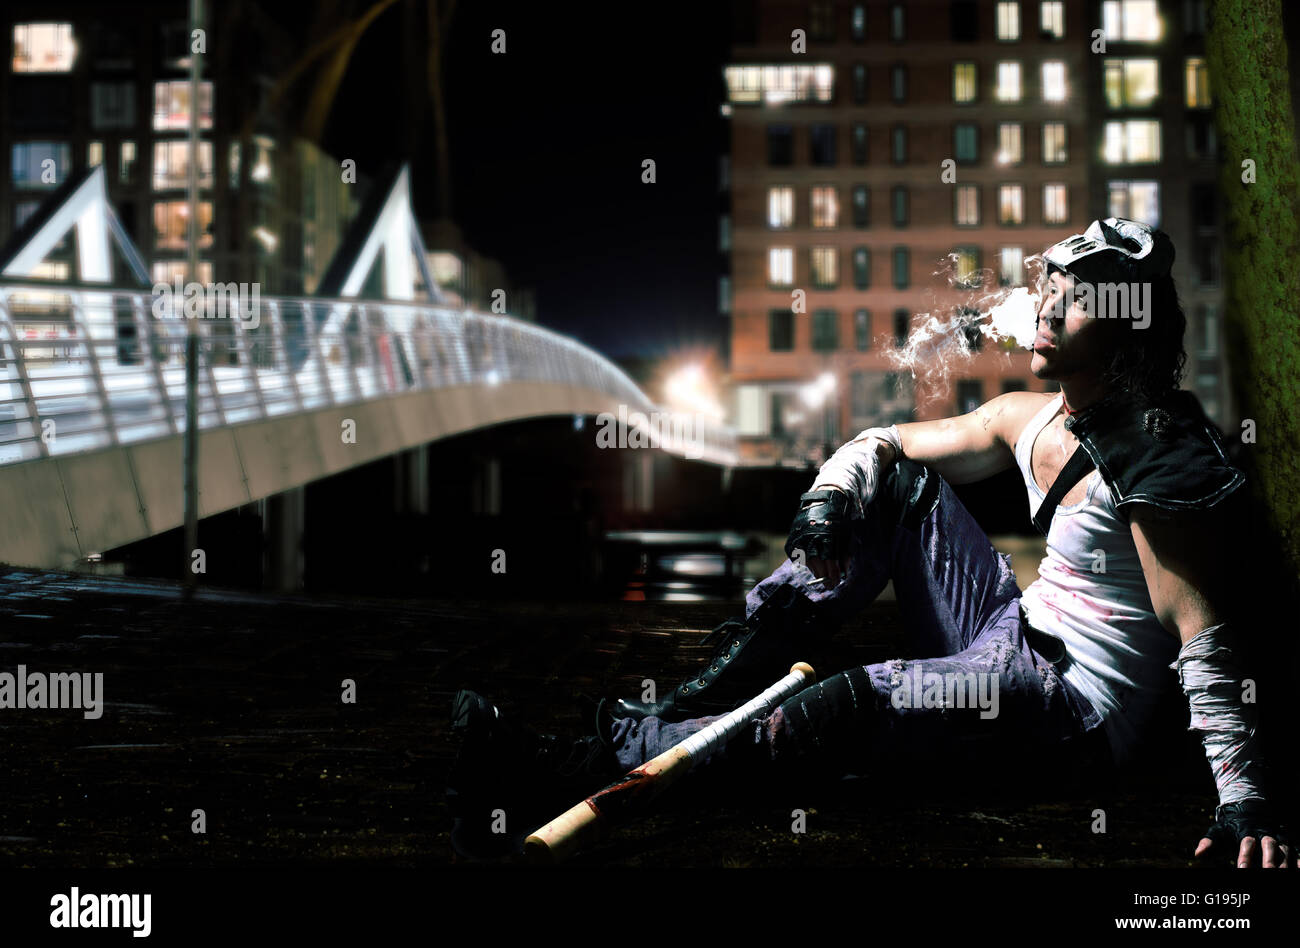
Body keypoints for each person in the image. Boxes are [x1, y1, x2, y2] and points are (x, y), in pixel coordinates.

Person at [448, 219, 1291, 866]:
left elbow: (1203, 635)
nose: (1047, 309)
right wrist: (828, 502)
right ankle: (662, 719)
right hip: (1008, 634)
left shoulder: (1158, 451)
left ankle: (584, 760)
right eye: (1050, 287)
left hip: (1068, 712)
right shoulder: (1027, 415)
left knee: (847, 705)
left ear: (1124, 325)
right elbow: (884, 444)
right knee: (890, 489)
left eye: (1074, 299)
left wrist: (1245, 801)